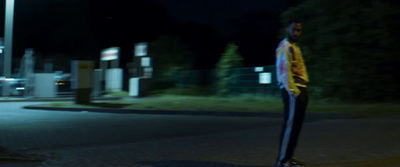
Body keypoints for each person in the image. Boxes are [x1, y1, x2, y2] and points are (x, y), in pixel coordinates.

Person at [275, 19, 309, 167]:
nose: (296, 33)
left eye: (299, 30)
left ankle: (289, 158)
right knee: (290, 126)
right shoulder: (285, 47)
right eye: (293, 29)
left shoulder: (295, 47)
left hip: (300, 88)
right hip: (293, 89)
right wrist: (293, 91)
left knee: (296, 126)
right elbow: (284, 72)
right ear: (287, 30)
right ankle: (282, 161)